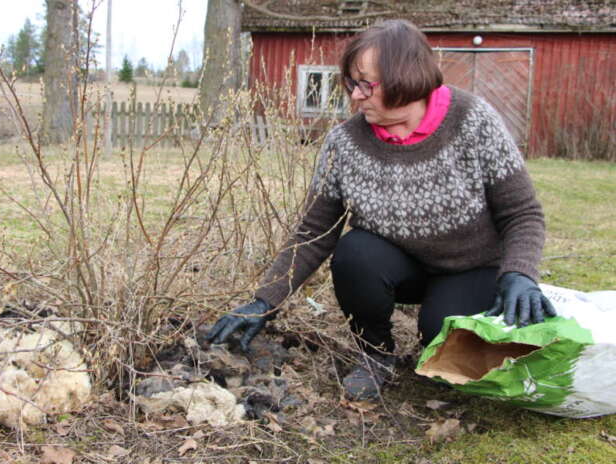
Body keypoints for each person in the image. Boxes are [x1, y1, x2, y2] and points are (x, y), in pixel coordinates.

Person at [206, 19, 556, 400]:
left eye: (365, 85)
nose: (355, 96)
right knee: (354, 251)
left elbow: (522, 213)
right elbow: (314, 231)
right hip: (398, 267)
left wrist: (519, 274)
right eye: (351, 84)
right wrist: (265, 300)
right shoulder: (345, 143)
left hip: (472, 268)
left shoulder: (473, 121)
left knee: (438, 337)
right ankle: (375, 353)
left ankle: (444, 326)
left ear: (406, 78)